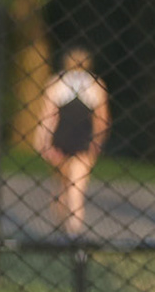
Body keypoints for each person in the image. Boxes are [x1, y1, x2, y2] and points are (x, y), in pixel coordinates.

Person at [33, 48, 110, 237]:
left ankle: (67, 233)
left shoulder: (57, 82)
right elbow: (102, 119)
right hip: (81, 141)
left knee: (64, 188)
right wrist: (97, 142)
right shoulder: (95, 85)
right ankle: (71, 233)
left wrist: (42, 141)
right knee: (73, 189)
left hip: (61, 140)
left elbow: (48, 115)